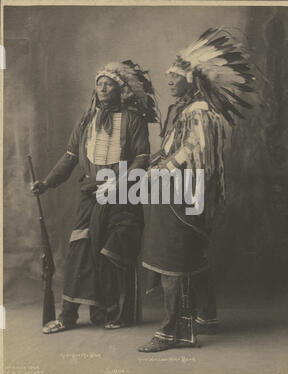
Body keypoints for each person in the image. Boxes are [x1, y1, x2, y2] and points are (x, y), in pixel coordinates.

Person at [138, 27, 256, 352]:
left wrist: (159, 171)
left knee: (173, 258)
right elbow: (175, 147)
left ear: (193, 78)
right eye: (169, 76)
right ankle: (207, 316)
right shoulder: (185, 110)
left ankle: (172, 331)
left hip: (184, 193)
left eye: (175, 76)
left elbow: (193, 151)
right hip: (179, 191)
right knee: (191, 254)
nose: (169, 81)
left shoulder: (200, 112)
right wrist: (154, 158)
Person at [31, 60, 159, 333]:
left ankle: (118, 312)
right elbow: (70, 157)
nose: (102, 87)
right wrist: (47, 182)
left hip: (124, 197)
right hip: (91, 195)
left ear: (120, 89)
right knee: (80, 251)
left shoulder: (134, 120)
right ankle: (68, 316)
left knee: (115, 253)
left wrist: (118, 184)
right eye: (99, 82)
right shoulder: (86, 120)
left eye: (108, 83)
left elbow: (141, 159)